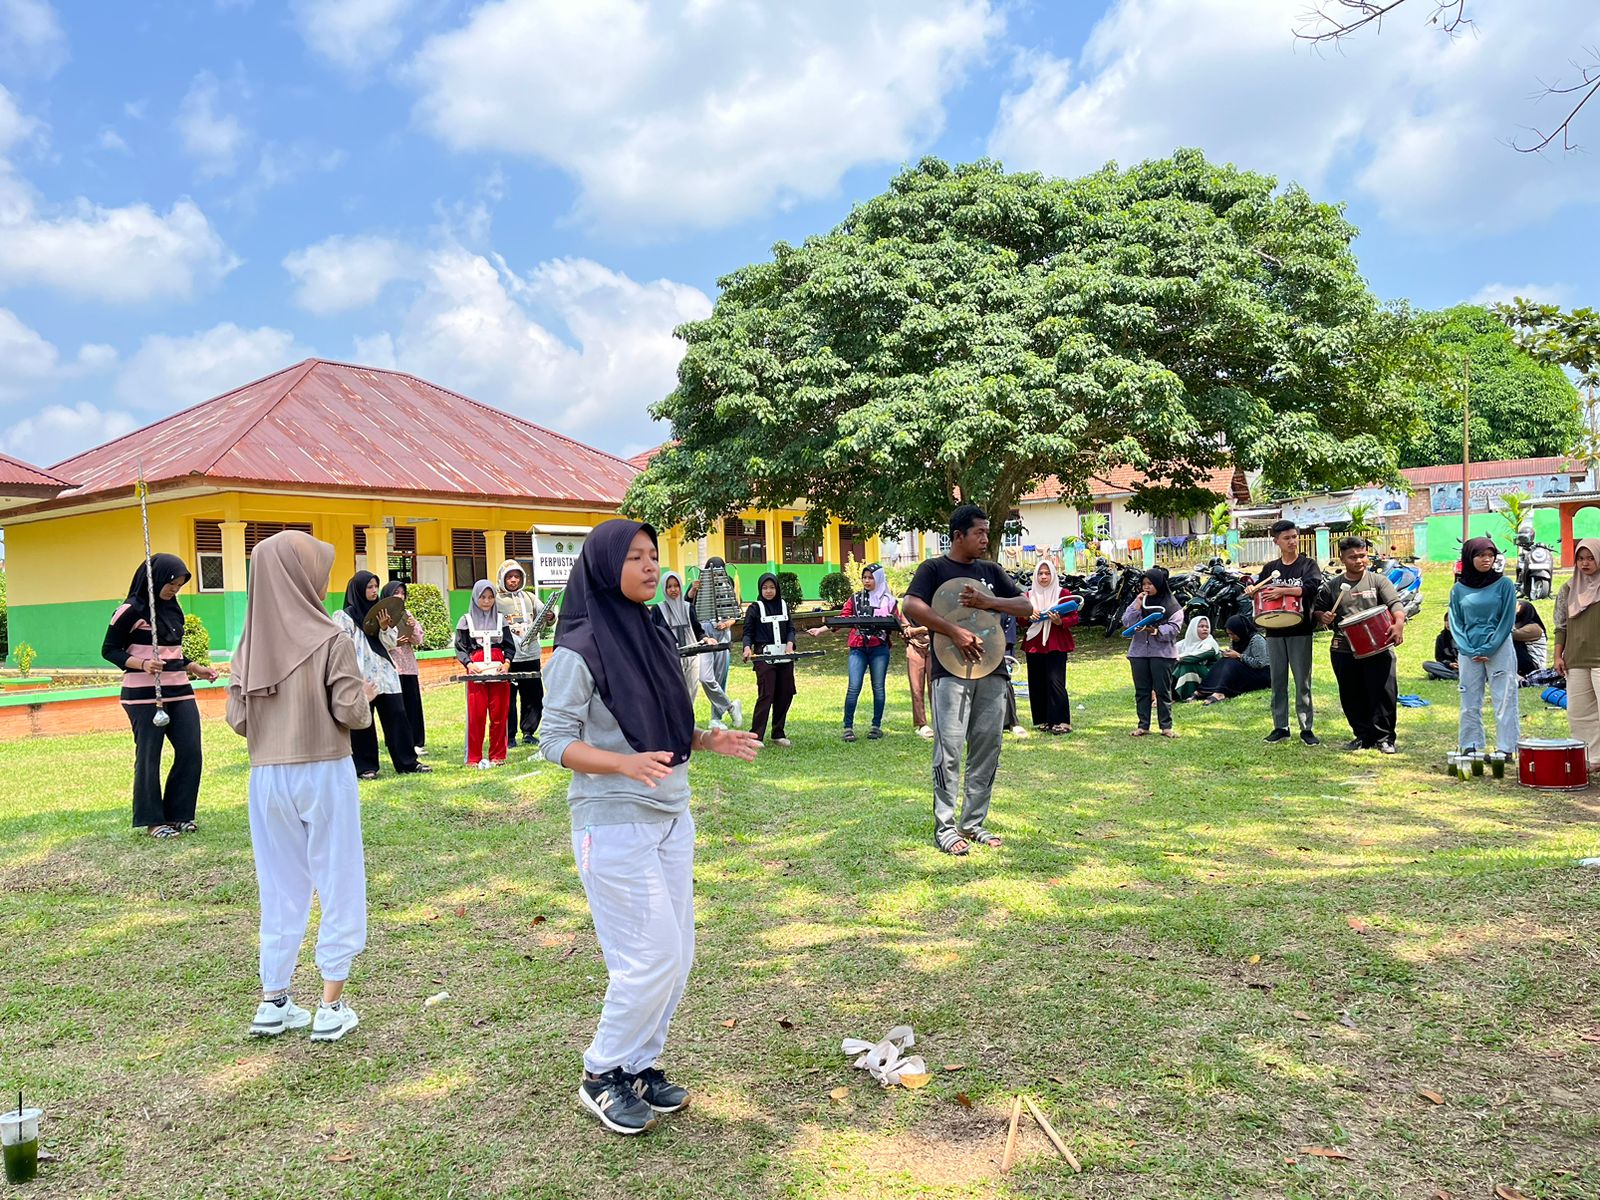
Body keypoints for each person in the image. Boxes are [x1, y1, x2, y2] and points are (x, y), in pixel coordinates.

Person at [540, 519, 760, 1136]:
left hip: (671, 814)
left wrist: (706, 740)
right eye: (633, 556)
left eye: (652, 555)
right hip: (613, 822)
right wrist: (623, 764)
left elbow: (663, 721)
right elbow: (553, 741)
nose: (648, 566)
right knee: (650, 955)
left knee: (678, 954)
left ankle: (639, 1065)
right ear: (603, 565)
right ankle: (600, 1072)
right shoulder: (578, 649)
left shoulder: (655, 629)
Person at [226, 531, 371, 1043]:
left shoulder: (247, 646)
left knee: (279, 885)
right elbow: (351, 712)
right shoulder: (332, 638)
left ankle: (274, 999)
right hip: (324, 768)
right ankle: (330, 1006)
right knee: (338, 877)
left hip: (267, 776)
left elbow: (238, 720)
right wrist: (366, 694)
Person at [901, 505, 1035, 856]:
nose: (985, 539)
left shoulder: (990, 571)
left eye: (987, 532)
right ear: (958, 536)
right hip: (950, 673)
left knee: (987, 748)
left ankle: (973, 823)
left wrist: (988, 601)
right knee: (949, 750)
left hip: (993, 670)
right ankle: (945, 827)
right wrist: (954, 631)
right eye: (979, 533)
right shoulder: (934, 569)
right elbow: (910, 606)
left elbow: (1025, 606)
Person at [101, 554, 219, 838]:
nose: (174, 590)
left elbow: (172, 653)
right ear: (155, 579)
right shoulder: (130, 610)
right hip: (144, 696)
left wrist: (195, 668)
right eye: (170, 584)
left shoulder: (173, 610)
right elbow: (109, 650)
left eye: (179, 585)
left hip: (179, 690)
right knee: (149, 757)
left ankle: (180, 814)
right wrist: (142, 664)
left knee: (191, 752)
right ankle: (153, 821)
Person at [1316, 537, 1408, 754]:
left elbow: (1395, 604)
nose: (1359, 561)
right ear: (1342, 558)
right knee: (1351, 694)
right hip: (1344, 648)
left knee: (1384, 693)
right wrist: (1323, 617)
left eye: (1362, 556)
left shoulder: (1378, 581)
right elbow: (1318, 611)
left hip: (1378, 645)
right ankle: (1363, 735)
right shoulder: (1332, 586)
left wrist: (1399, 623)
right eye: (1352, 557)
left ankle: (1385, 738)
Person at [335, 571, 425, 780]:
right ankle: (365, 766)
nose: (374, 591)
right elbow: (341, 645)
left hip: (386, 674)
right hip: (362, 676)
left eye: (376, 586)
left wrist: (385, 628)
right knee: (363, 722)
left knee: (398, 716)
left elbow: (391, 644)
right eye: (369, 587)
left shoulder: (382, 613)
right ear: (358, 589)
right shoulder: (344, 617)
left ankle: (407, 762)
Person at [1245, 520, 1324, 746]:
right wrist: (1252, 590)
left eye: (1294, 536)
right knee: (1277, 681)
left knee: (1302, 681)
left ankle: (1306, 728)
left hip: (1301, 629)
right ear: (1276, 541)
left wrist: (1283, 591)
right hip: (1274, 630)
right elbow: (1260, 590)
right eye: (1286, 538)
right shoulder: (1270, 569)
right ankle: (1281, 727)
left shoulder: (1307, 565)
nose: (1292, 541)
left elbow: (1311, 588)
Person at [807, 564, 900, 741]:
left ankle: (876, 726)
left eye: (871, 577)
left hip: (879, 649)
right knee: (853, 687)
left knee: (878, 687)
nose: (867, 581)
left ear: (879, 579)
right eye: (864, 577)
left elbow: (899, 622)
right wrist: (821, 630)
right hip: (858, 648)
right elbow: (843, 618)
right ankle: (848, 727)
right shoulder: (856, 599)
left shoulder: (889, 600)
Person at [1448, 536, 1520, 761]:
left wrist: (1490, 647)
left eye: (1490, 555)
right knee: (1468, 698)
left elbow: (1507, 620)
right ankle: (1470, 745)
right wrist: (1468, 649)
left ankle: (1506, 748)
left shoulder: (1504, 584)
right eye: (1480, 555)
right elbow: (1455, 622)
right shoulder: (1458, 589)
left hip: (1499, 648)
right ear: (1469, 558)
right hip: (1469, 650)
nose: (1486, 559)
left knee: (1505, 696)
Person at [653, 571, 739, 725]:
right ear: (664, 589)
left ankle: (686, 727)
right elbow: (653, 635)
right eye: (669, 586)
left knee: (689, 695)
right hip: (670, 659)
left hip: (692, 658)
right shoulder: (658, 610)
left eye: (676, 586)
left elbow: (698, 630)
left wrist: (706, 639)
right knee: (672, 694)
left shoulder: (688, 608)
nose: (673, 590)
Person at [456, 580, 516, 768]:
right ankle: (473, 757)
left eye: (490, 597)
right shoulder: (465, 620)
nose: (487, 601)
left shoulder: (500, 619)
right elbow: (460, 647)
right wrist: (469, 664)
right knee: (476, 714)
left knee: (499, 714)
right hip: (476, 670)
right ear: (476, 597)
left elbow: (509, 646)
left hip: (498, 670)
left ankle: (498, 755)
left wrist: (506, 664)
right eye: (483, 597)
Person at [1122, 567, 1185, 737]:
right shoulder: (1140, 602)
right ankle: (1143, 725)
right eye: (1144, 584)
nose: (1146, 587)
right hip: (1139, 653)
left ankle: (1166, 726)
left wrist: (1155, 630)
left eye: (1150, 584)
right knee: (1142, 691)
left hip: (1162, 654)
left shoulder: (1172, 605)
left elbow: (1175, 628)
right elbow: (1127, 622)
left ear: (1159, 584)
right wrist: (1136, 604)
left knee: (1162, 691)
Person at [1554, 539, 1600, 769]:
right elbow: (1560, 626)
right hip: (1575, 659)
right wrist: (1557, 656)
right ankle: (1592, 758)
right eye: (1580, 559)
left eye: (1591, 558)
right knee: (1579, 712)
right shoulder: (1568, 588)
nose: (1585, 563)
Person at [495, 560, 549, 749]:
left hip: (531, 655)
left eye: (517, 576)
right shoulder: (496, 600)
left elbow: (545, 614)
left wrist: (550, 616)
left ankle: (529, 732)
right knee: (508, 698)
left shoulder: (530, 597)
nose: (513, 580)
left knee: (533, 696)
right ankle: (509, 736)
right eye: (509, 576)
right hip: (509, 657)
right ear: (502, 578)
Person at [1020, 559, 1078, 732]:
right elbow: (1020, 619)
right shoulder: (1028, 596)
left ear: (1053, 575)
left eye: (1047, 573)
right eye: (1040, 573)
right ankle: (1044, 720)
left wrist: (1060, 621)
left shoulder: (1062, 593)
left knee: (1055, 681)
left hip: (1056, 642)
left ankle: (1062, 721)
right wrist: (1028, 616)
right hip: (1034, 642)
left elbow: (1074, 617)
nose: (1043, 577)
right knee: (1037, 681)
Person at [741, 573, 798, 745]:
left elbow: (791, 629)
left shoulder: (784, 605)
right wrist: (747, 648)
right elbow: (747, 633)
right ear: (760, 589)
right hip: (764, 656)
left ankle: (778, 733)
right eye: (765, 588)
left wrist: (790, 645)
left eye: (772, 587)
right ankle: (756, 735)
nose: (768, 591)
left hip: (784, 656)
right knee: (766, 694)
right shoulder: (754, 608)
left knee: (785, 693)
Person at [380, 581, 428, 758]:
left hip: (408, 667)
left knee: (412, 707)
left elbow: (418, 640)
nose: (400, 596)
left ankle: (416, 742)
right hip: (391, 668)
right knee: (396, 709)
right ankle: (397, 742)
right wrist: (394, 642)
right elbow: (377, 641)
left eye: (402, 592)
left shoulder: (407, 614)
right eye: (396, 592)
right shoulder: (380, 616)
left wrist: (413, 625)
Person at [687, 557, 741, 702]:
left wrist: (727, 624)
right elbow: (687, 604)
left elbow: (736, 613)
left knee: (721, 677)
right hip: (704, 633)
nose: (715, 575)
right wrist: (692, 590)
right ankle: (728, 705)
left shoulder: (728, 582)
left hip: (723, 633)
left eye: (719, 572)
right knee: (705, 677)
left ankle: (718, 713)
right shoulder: (699, 583)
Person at [1199, 614, 1271, 704]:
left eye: (1233, 634)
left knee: (1231, 663)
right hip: (1246, 671)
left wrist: (1239, 656)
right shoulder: (1236, 641)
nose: (1231, 637)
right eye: (1229, 634)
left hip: (1262, 674)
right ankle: (1203, 690)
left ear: (1240, 630)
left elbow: (1261, 663)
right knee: (1223, 661)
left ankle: (1220, 693)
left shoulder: (1256, 639)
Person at [900, 604, 935, 739]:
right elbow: (905, 631)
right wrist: (923, 629)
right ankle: (922, 725)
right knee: (916, 688)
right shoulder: (909, 606)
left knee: (935, 686)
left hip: (934, 647)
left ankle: (938, 721)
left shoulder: (935, 603)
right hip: (914, 647)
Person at [1172, 616, 1221, 703]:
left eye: (1207, 627)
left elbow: (1195, 657)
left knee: (1187, 665)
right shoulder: (1184, 643)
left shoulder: (1210, 643)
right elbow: (1170, 653)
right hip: (1196, 673)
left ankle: (1188, 695)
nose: (1205, 629)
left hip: (1211, 677)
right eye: (1201, 626)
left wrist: (1177, 658)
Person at [1512, 599, 1548, 677]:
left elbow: (1510, 635)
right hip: (1525, 661)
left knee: (1512, 642)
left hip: (1534, 666)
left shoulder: (1534, 628)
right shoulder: (1520, 625)